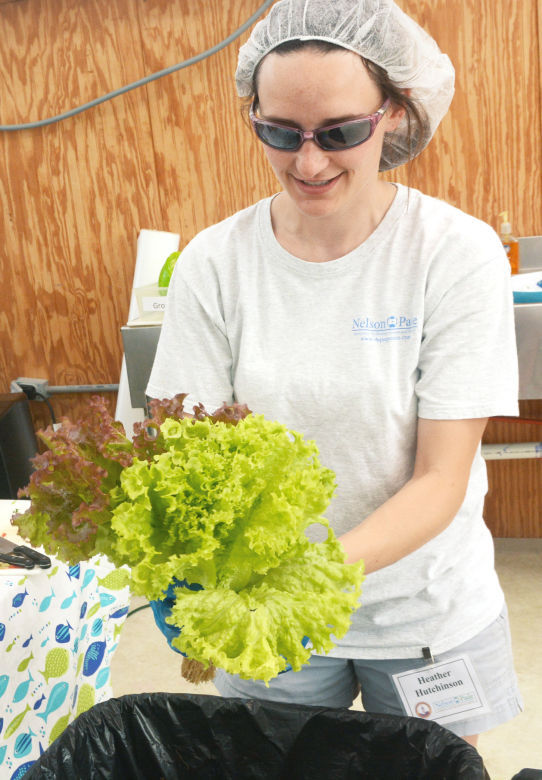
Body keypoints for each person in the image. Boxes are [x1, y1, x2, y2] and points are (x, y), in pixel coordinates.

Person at [146, 0, 522, 747]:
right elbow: (181, 446)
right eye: (279, 133)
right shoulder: (216, 263)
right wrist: (182, 554)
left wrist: (305, 575)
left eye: (341, 133)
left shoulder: (454, 254)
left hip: (423, 609)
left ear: (393, 114)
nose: (309, 162)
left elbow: (440, 479)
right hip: (264, 605)